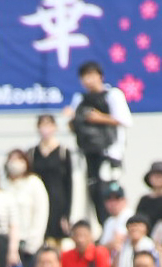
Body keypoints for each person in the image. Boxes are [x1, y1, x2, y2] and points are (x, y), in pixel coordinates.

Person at [67, 60, 131, 218]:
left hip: (110, 152)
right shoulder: (80, 99)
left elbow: (125, 120)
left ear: (100, 76)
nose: (88, 80)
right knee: (94, 193)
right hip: (89, 153)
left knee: (110, 192)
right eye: (84, 77)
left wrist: (99, 118)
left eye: (91, 75)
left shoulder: (112, 95)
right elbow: (74, 126)